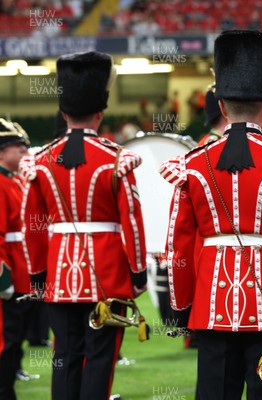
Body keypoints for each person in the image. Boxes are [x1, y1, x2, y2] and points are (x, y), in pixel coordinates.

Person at [159, 30, 262, 400]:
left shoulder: (192, 166)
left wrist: (181, 308)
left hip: (211, 304)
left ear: (221, 105)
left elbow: (178, 244)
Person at [21, 51, 147, 400]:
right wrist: (138, 273)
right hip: (107, 276)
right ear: (100, 112)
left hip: (59, 277)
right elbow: (132, 223)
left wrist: (37, 275)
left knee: (64, 355)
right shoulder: (118, 159)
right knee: (101, 358)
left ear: (63, 113)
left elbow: (32, 224)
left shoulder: (41, 161)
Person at [0, 119, 35, 399]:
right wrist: (4, 279)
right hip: (11, 273)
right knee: (7, 340)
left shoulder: (15, 180)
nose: (24, 150)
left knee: (17, 337)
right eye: (17, 147)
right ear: (1, 152)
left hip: (23, 272)